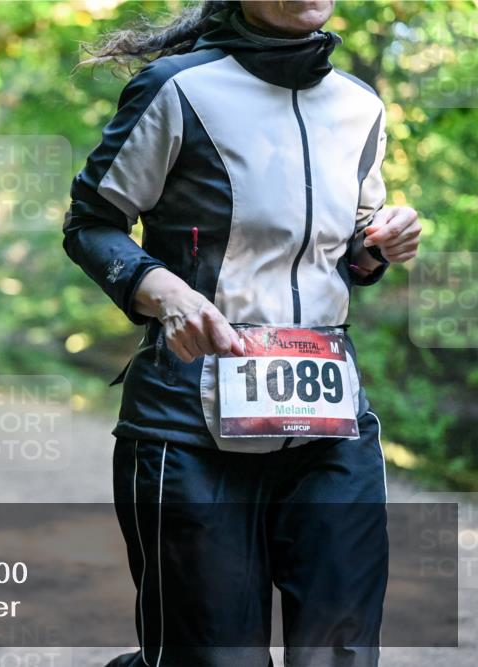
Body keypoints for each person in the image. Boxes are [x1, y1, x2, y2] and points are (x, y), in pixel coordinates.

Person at [64, 2, 422, 666]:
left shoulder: (359, 106)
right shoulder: (178, 88)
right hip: (189, 418)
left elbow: (346, 252)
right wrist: (161, 289)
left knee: (339, 655)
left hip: (330, 419)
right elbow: (91, 223)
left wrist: (376, 245)